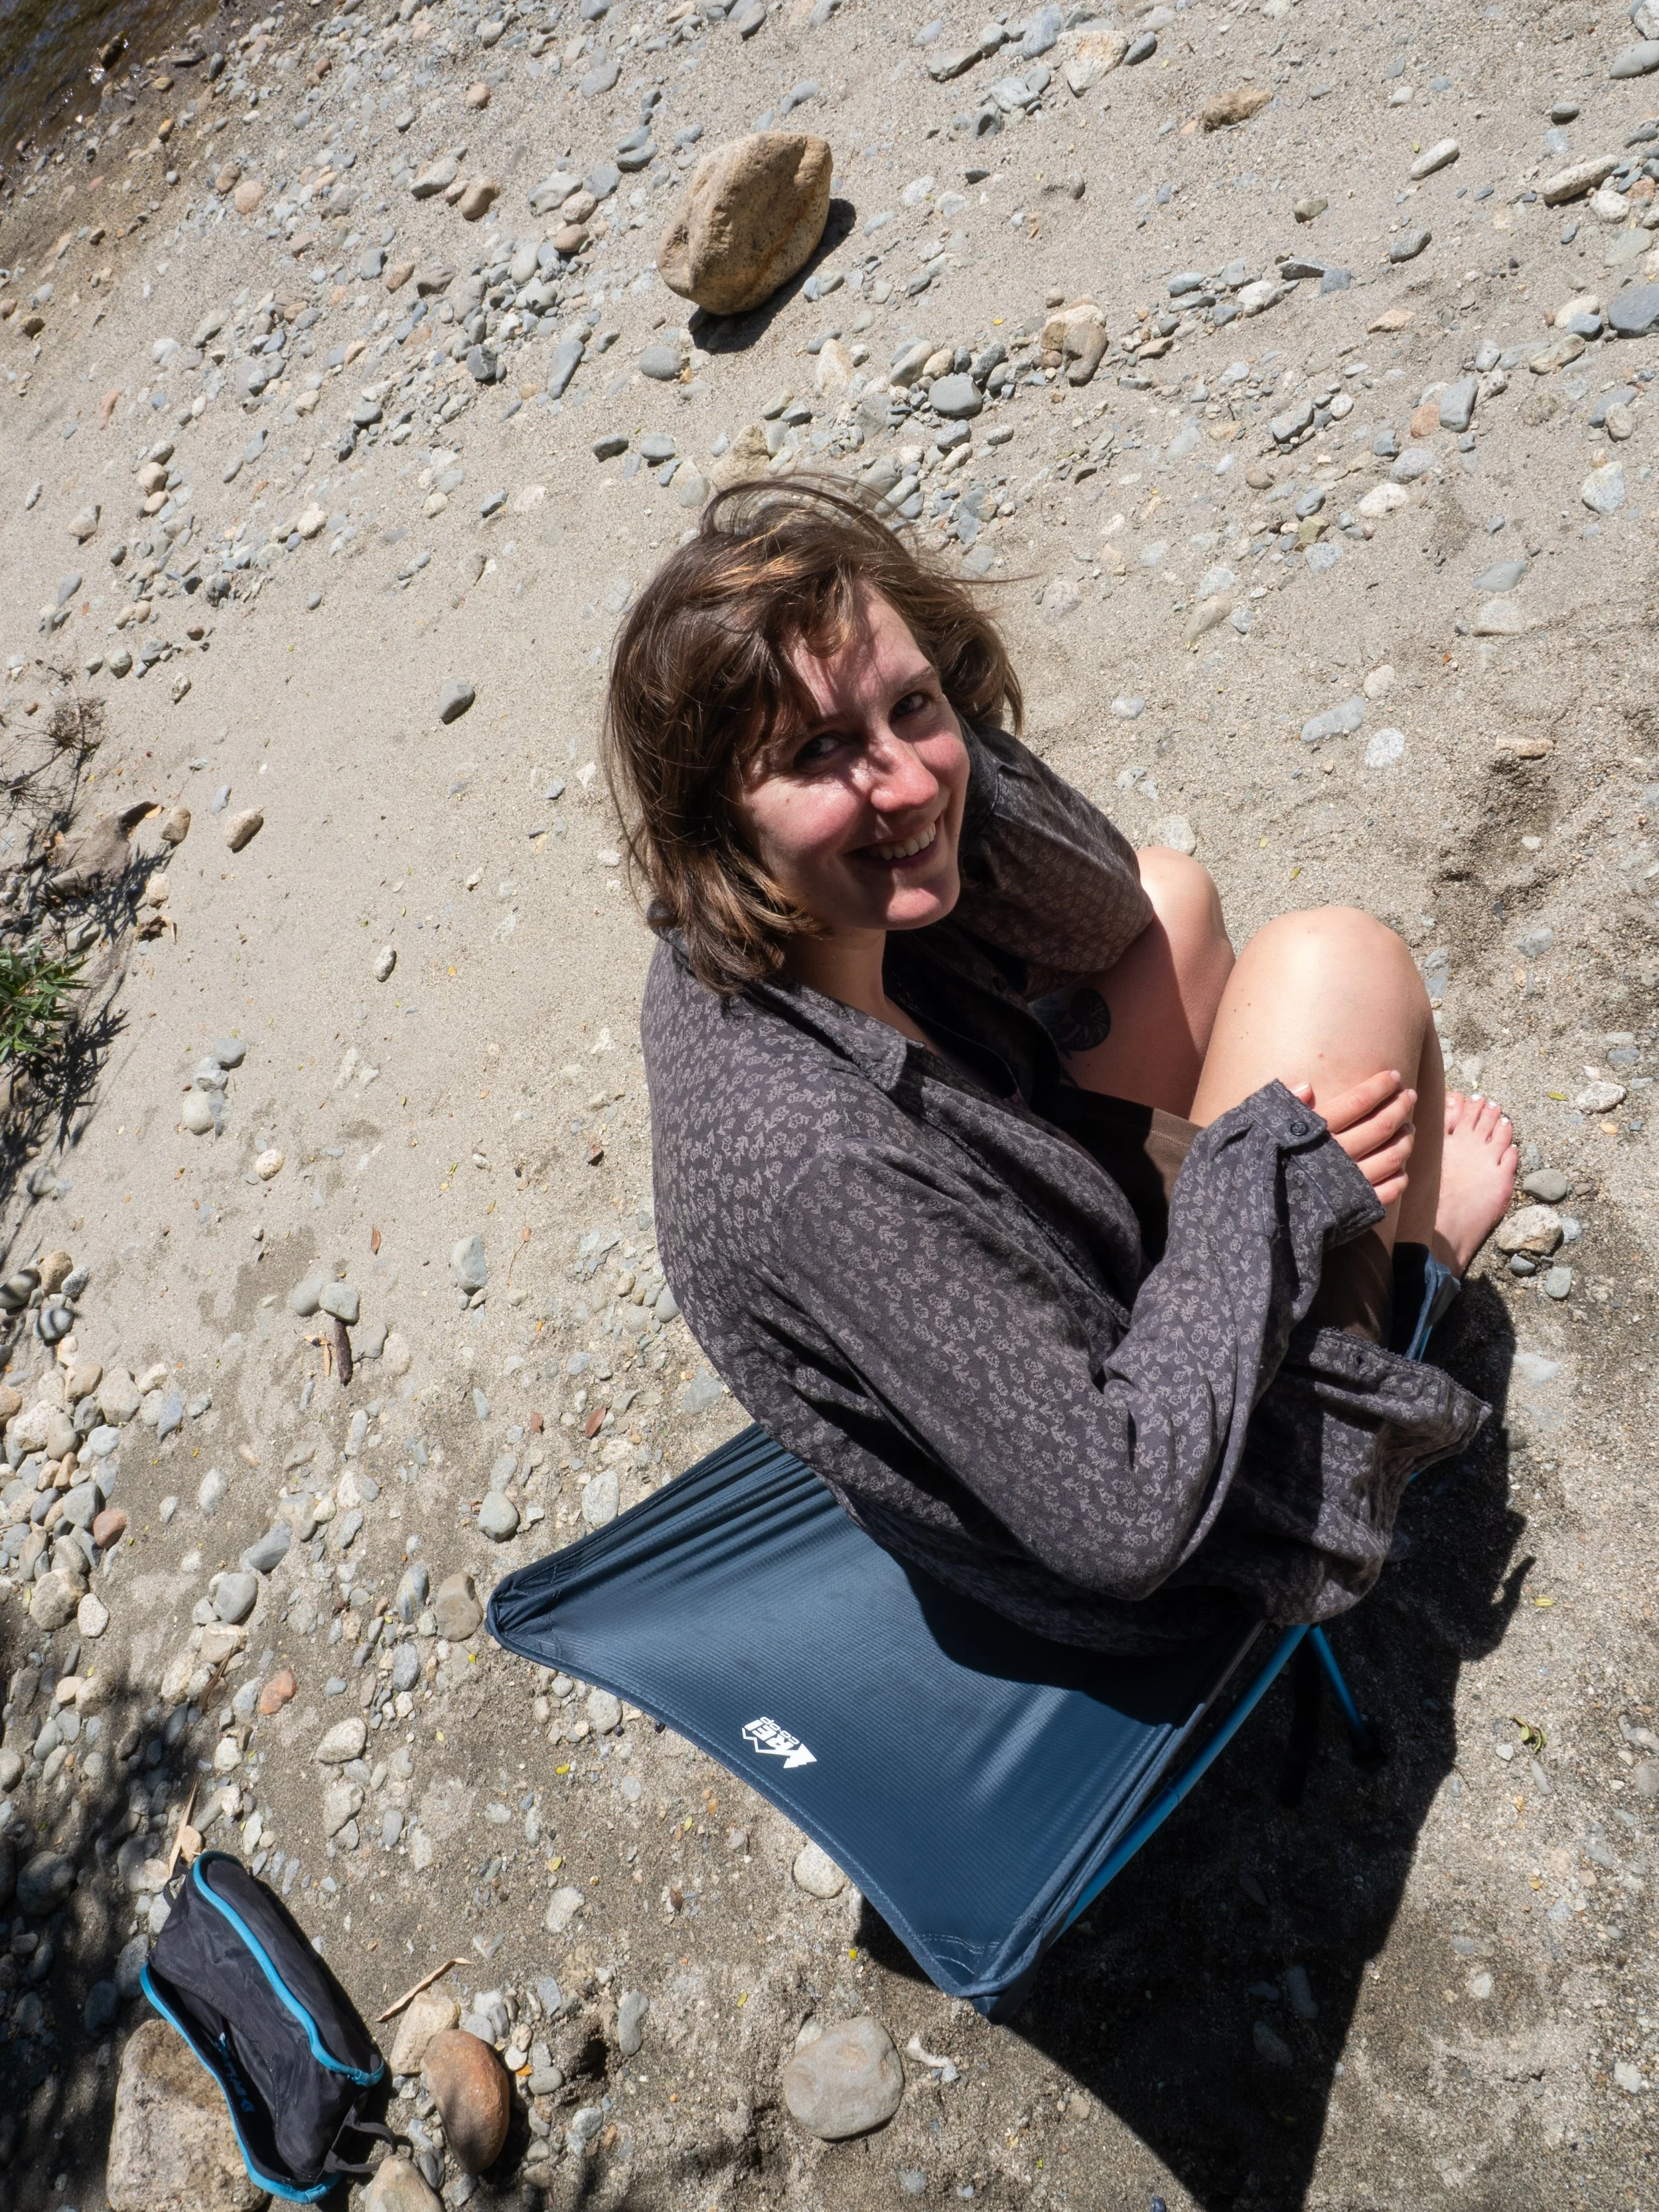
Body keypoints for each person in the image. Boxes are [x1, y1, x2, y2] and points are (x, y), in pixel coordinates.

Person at [604, 480, 1516, 1654]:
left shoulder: (767, 930)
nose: (909, 780)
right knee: (1342, 963)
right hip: (1171, 1539)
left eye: (914, 704)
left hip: (1060, 1281)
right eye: (822, 752)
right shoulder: (814, 1161)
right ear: (712, 820)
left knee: (1168, 901)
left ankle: (1337, 1254)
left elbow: (1101, 922)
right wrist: (1256, 1194)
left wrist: (949, 760)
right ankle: (1416, 1270)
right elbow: (1124, 1524)